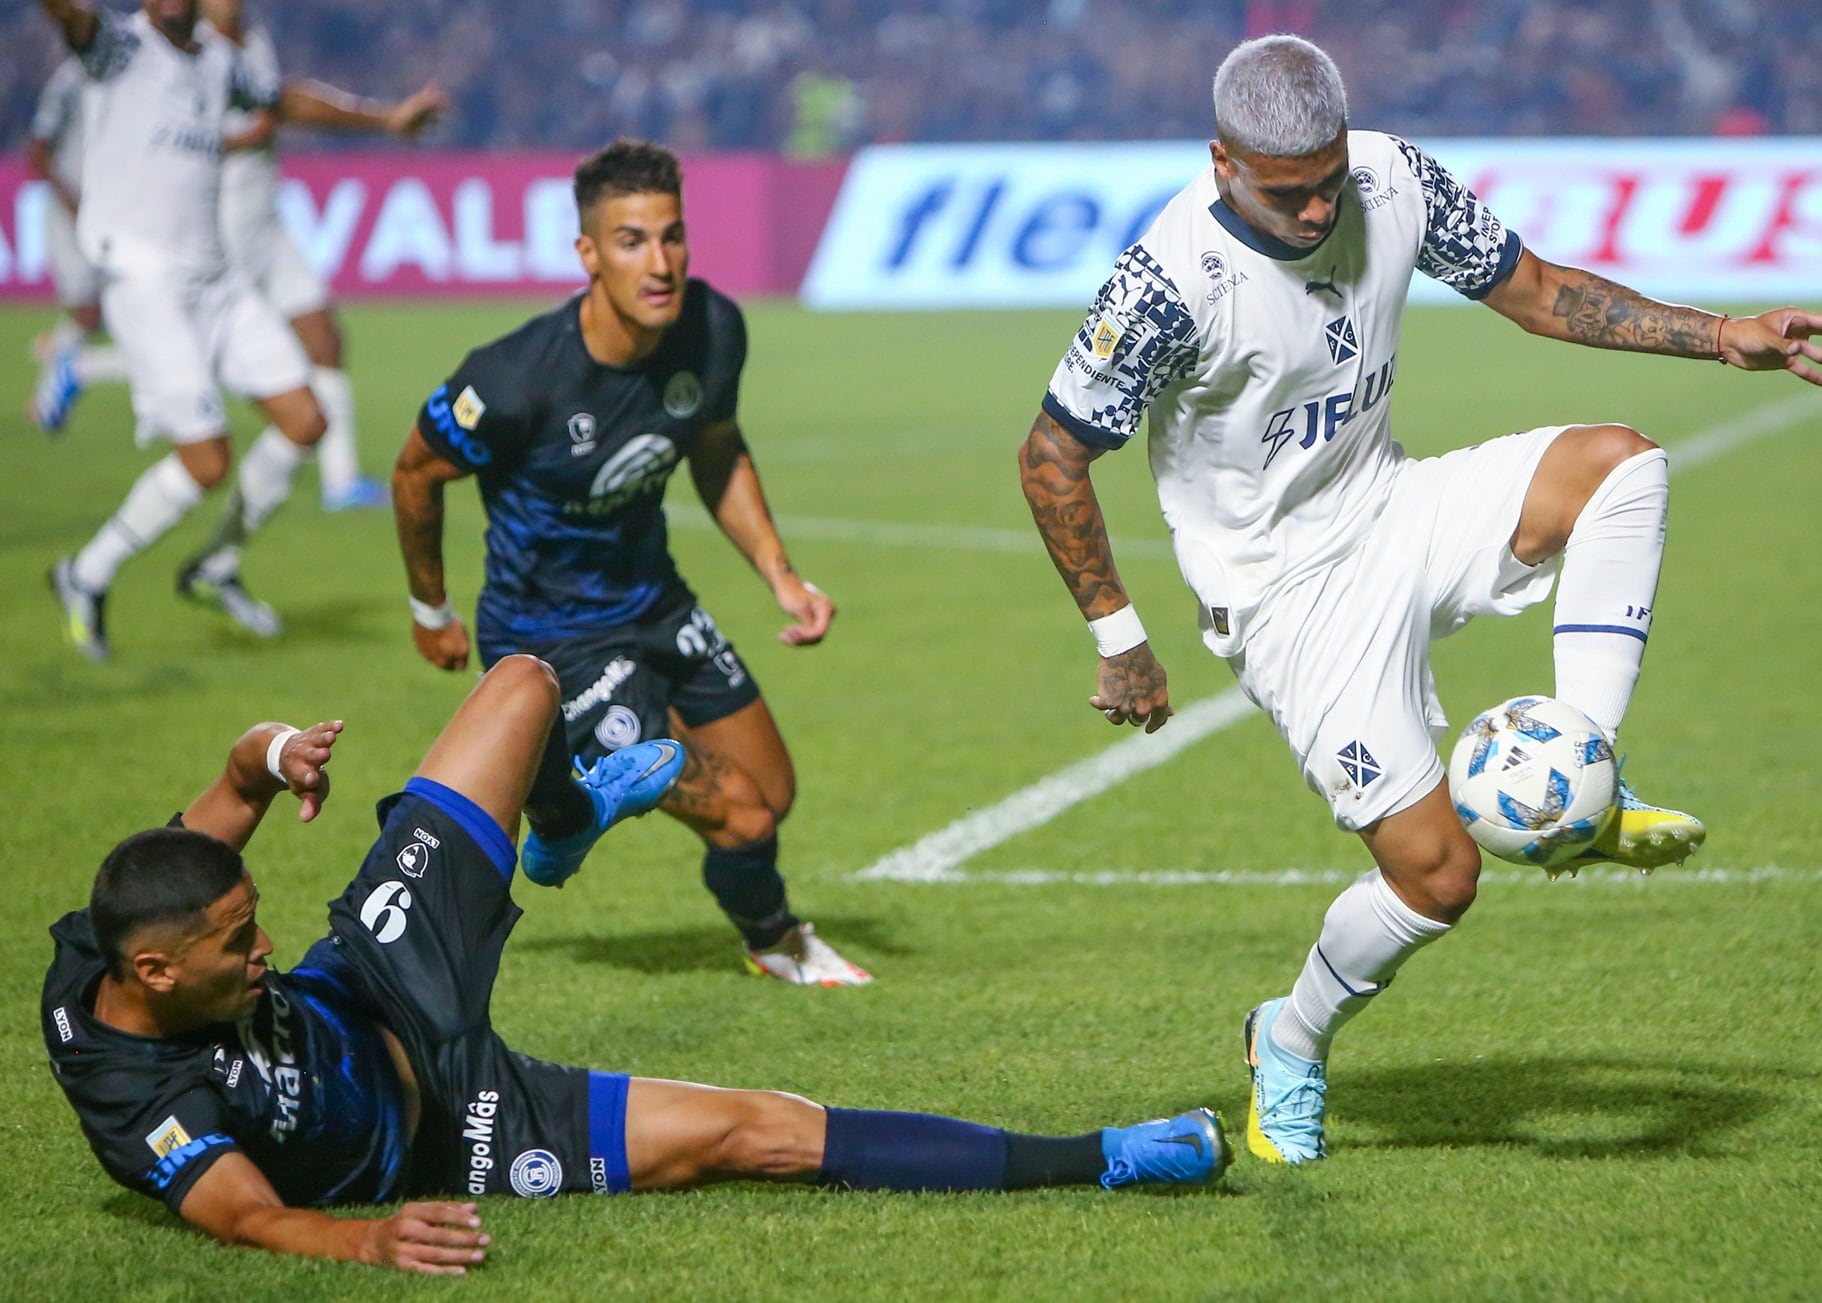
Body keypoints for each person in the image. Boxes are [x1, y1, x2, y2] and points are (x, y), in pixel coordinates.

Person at [1018, 35, 1822, 1166]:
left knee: (1619, 464)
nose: (1320, 210)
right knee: (1438, 875)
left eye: (1328, 180)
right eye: (1288, 192)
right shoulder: (1168, 283)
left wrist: (1719, 336)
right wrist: (1119, 640)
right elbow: (1049, 456)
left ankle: (1585, 771)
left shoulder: (1391, 176)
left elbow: (1538, 291)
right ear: (1222, 160)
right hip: (1285, 597)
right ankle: (1289, 1039)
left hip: (1393, 505)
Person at [40, 656, 1230, 1274]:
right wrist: (367, 1237)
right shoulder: (141, 1100)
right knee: (757, 1131)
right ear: (152, 974)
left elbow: (236, 787)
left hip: (371, 973)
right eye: (238, 943)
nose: (258, 949)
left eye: (252, 923)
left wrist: (279, 750)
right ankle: (1109, 1155)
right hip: (464, 1131)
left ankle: (559, 824)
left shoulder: (129, 919)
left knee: (521, 686)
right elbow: (246, 1220)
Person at [392, 140, 871, 986]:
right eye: (631, 241)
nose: (660, 263)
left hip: (656, 603)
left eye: (672, 236)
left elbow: (716, 448)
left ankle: (574, 803)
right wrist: (432, 610)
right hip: (553, 639)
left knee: (772, 790)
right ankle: (776, 940)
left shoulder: (713, 328)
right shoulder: (512, 380)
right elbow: (415, 472)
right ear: (587, 255)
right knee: (743, 815)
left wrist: (779, 573)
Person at [40, 0, 327, 659]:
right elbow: (71, 17)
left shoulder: (221, 62)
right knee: (208, 460)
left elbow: (284, 101)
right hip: (145, 283)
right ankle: (86, 573)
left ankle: (214, 566)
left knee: (305, 419)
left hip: (215, 281)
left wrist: (387, 120)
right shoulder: (117, 47)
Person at [203, 0, 448, 512]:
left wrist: (384, 119)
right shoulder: (182, 51)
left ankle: (341, 481)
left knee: (324, 341)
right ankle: (83, 365)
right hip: (217, 229)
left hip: (265, 223)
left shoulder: (253, 40)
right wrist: (241, 137)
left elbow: (287, 101)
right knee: (201, 361)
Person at [24, 55, 128, 435]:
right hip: (73, 212)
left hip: (116, 212)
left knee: (111, 312)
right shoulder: (69, 79)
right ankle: (59, 388)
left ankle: (57, 388)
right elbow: (38, 149)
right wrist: (73, 203)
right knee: (87, 310)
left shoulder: (133, 72)